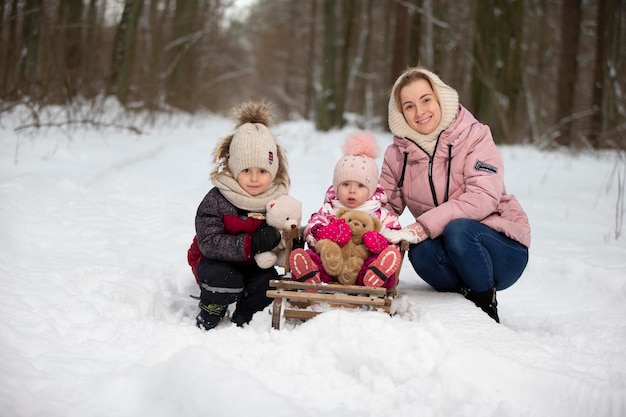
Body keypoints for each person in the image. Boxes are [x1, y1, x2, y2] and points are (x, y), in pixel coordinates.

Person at [380, 66, 530, 323]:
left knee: (458, 230)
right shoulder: (398, 154)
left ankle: (485, 305)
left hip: (498, 249)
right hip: (448, 253)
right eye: (409, 106)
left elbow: (482, 195)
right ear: (400, 113)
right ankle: (461, 303)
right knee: (420, 250)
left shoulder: (474, 135)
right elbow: (383, 206)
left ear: (440, 98)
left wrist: (423, 225)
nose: (420, 112)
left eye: (426, 100)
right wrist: (352, 217)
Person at [186, 101, 290, 331]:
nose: (255, 178)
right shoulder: (217, 198)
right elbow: (209, 243)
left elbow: (287, 230)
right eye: (246, 171)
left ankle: (247, 309)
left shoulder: (277, 200)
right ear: (233, 170)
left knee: (268, 284)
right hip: (216, 261)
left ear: (273, 171)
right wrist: (251, 243)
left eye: (262, 171)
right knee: (223, 279)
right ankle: (213, 305)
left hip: (254, 265)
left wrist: (287, 239)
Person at [289, 132, 403, 289]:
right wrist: (324, 233)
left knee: (375, 262)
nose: (352, 191)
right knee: (314, 257)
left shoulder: (379, 213)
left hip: (361, 268)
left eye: (360, 185)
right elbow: (312, 226)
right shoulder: (330, 209)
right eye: (345, 184)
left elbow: (395, 234)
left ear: (371, 189)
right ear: (336, 186)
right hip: (331, 264)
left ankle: (376, 274)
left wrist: (379, 242)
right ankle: (309, 274)